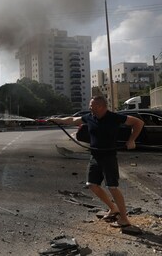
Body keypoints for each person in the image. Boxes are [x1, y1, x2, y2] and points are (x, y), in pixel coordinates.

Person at [49, 96, 144, 228]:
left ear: (100, 106)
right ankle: (113, 208)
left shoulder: (114, 117)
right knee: (92, 184)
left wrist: (131, 140)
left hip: (109, 156)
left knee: (112, 187)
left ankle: (124, 219)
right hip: (95, 156)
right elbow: (72, 119)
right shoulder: (89, 117)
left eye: (91, 105)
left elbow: (138, 123)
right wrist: (56, 119)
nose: (89, 107)